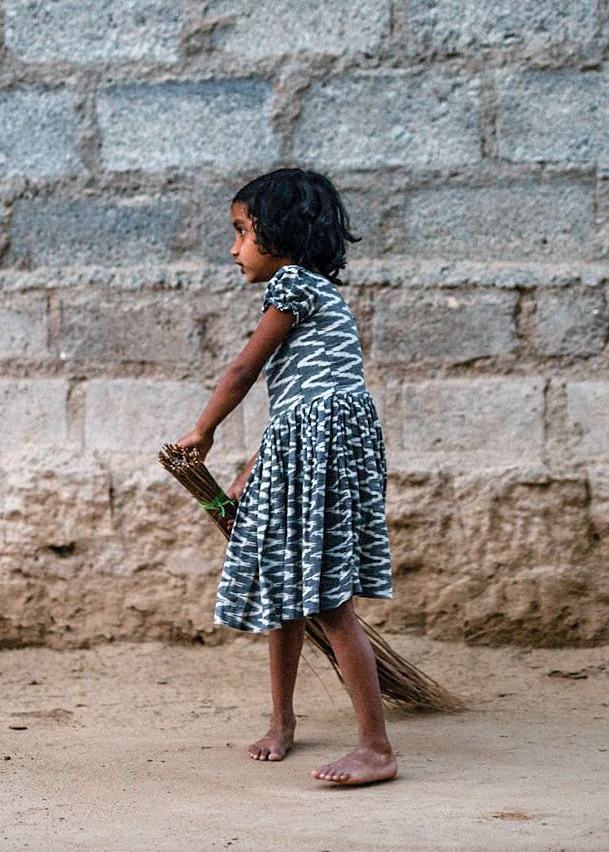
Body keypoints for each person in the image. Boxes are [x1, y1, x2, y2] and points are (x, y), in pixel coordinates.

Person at [175, 167, 396, 787]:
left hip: (320, 450)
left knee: (327, 600)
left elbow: (245, 370)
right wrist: (260, 465)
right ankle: (282, 721)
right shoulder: (324, 296)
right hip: (314, 446)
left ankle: (376, 748)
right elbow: (300, 400)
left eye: (243, 232)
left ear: (283, 235)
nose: (234, 247)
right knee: (289, 588)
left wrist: (204, 431)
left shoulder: (294, 285)